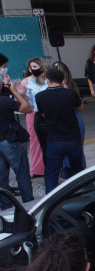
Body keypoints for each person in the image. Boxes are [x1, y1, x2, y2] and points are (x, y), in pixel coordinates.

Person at [35, 68, 84, 194]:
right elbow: (81, 108)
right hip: (73, 138)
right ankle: (81, 194)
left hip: (54, 139)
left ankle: (50, 201)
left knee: (51, 174)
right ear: (63, 80)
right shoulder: (70, 93)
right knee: (78, 171)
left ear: (47, 80)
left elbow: (43, 114)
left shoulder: (40, 96)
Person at [0, 52, 34, 208]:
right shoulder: (5, 102)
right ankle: (29, 204)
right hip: (10, 140)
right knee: (22, 174)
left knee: (1, 178)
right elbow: (27, 108)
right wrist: (13, 91)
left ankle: (6, 207)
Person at [52, 61, 87, 180]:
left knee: (76, 148)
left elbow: (79, 106)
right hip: (61, 119)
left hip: (73, 118)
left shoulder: (71, 87)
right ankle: (67, 170)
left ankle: (78, 171)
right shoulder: (50, 89)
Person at [24, 57, 49, 177]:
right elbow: (28, 101)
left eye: (34, 67)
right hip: (35, 113)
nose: (31, 69)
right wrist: (21, 94)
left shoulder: (49, 80)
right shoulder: (28, 82)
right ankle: (35, 169)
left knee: (52, 141)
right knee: (35, 142)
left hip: (50, 113)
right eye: (30, 67)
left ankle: (54, 167)